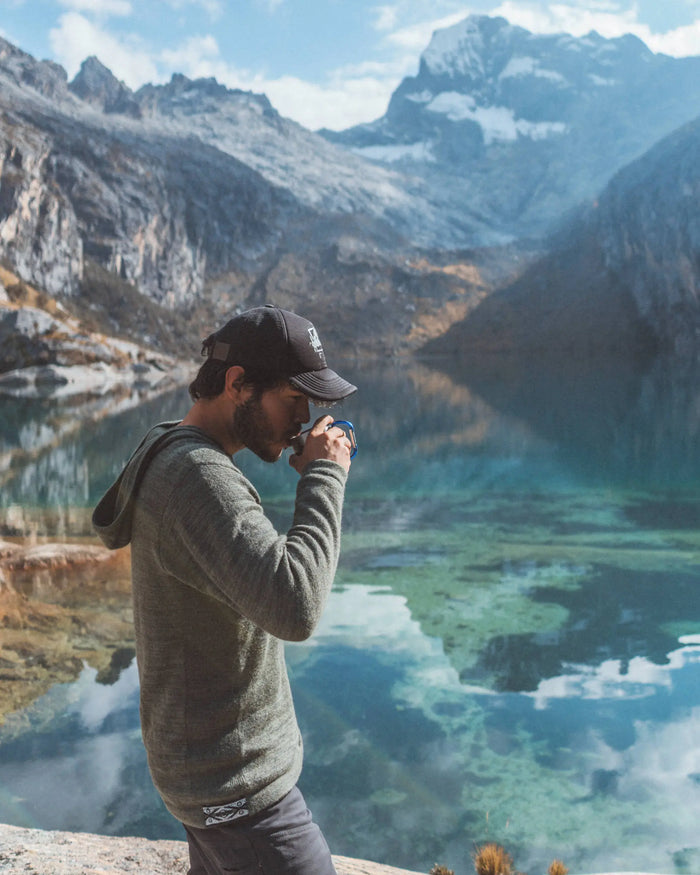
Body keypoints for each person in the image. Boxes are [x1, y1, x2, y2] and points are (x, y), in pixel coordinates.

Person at [92, 305, 357, 875]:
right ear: (238, 384)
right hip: (239, 792)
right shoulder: (200, 478)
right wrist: (326, 475)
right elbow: (296, 605)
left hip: (208, 776)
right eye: (294, 399)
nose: (305, 419)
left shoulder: (174, 450)